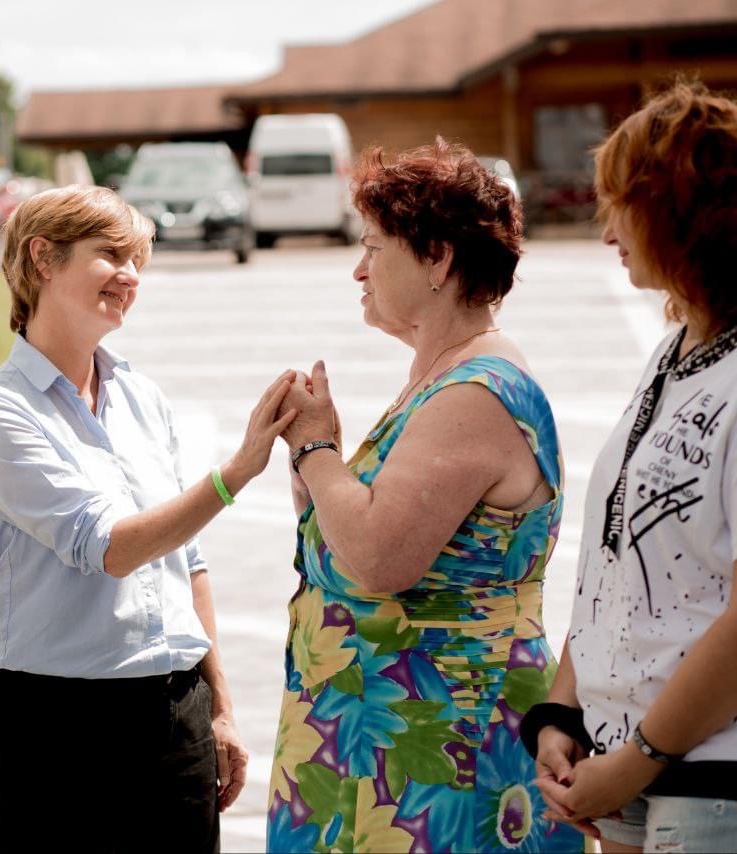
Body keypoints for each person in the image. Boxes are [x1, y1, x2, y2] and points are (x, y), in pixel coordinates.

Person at [0, 185, 296, 853]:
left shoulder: (141, 397)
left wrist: (221, 708)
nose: (131, 276)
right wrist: (235, 473)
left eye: (138, 260)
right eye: (111, 255)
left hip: (176, 716)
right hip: (59, 730)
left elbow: (187, 562)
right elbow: (109, 548)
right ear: (42, 258)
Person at [266, 140, 583, 853]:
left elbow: (382, 558)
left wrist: (316, 450)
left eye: (373, 248)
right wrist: (316, 472)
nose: (358, 269)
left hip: (442, 749)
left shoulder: (475, 391)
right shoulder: (440, 376)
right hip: (386, 738)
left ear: (437, 258)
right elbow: (355, 542)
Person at [529, 81, 737, 852]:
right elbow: (617, 563)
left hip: (706, 772)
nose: (605, 227)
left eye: (622, 202)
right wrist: (564, 713)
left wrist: (639, 759)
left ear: (684, 211)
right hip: (623, 764)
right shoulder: (673, 353)